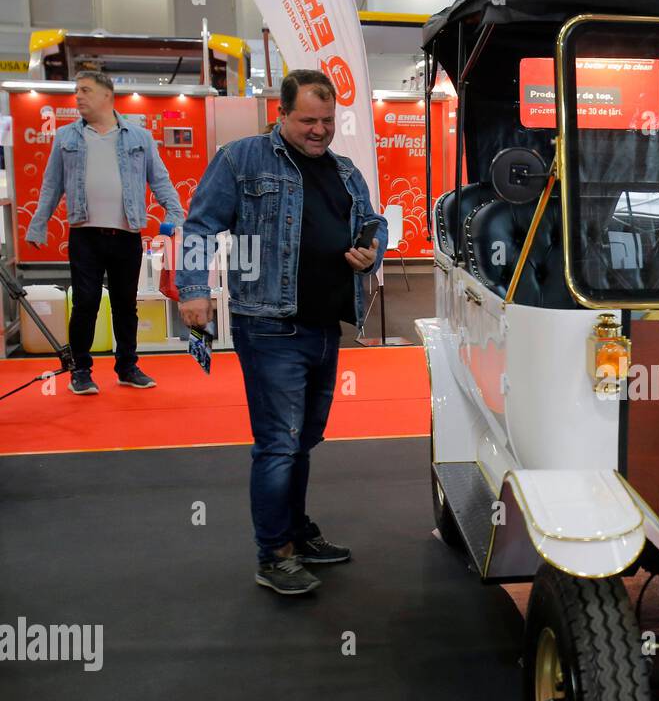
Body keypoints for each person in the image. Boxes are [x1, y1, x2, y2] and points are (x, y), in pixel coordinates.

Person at [178, 69, 387, 595]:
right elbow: (200, 225)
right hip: (270, 325)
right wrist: (193, 289)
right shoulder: (241, 159)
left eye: (327, 120)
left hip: (326, 325)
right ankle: (273, 554)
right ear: (282, 113)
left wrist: (371, 253)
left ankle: (295, 533)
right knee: (279, 443)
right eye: (307, 120)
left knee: (303, 440)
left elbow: (374, 221)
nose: (319, 130)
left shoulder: (344, 171)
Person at [25, 70, 184, 394]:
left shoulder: (138, 137)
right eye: (76, 91)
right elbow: (52, 185)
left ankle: (127, 366)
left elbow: (160, 178)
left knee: (126, 304)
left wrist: (176, 213)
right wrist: (38, 225)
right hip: (85, 235)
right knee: (86, 303)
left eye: (85, 90)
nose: (78, 97)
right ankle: (80, 370)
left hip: (126, 234)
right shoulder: (67, 137)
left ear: (107, 96)